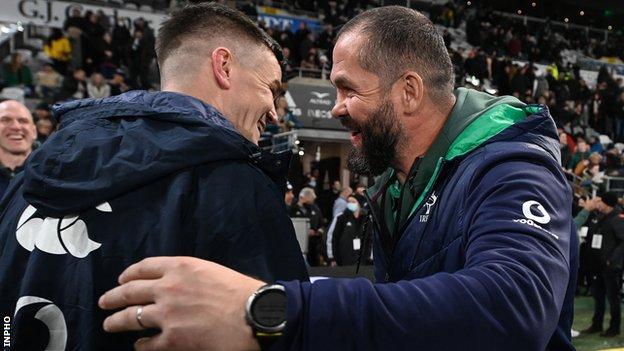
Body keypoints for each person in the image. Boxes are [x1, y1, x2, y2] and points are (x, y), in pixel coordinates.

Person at [99, 6, 576, 351]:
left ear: (408, 91)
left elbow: (516, 306)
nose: (336, 107)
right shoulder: (397, 185)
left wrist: (267, 309)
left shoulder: (512, 164)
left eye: (348, 87)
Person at [0, 3, 307, 350]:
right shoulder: (234, 183)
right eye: (271, 87)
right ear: (223, 66)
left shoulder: (30, 175)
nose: (274, 111)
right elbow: (287, 330)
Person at [581, 192, 624, 337]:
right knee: (598, 296)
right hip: (598, 265)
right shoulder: (601, 217)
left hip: (611, 266)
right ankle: (597, 324)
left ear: (606, 203)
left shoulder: (618, 218)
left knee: (613, 298)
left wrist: (612, 259)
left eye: (599, 201)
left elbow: (622, 242)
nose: (597, 204)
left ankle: (614, 327)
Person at [0, 100, 36, 198]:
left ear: (34, 131)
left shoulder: (54, 172)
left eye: (23, 121)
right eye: (5, 120)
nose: (16, 127)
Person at [327, 195, 371, 266]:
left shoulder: (366, 219)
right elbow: (334, 238)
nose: (350, 204)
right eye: (348, 202)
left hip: (363, 259)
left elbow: (370, 238)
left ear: (359, 204)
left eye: (353, 201)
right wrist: (333, 257)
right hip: (345, 259)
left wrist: (369, 256)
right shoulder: (341, 218)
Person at [290, 187, 325, 266]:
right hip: (299, 244)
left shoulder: (315, 208)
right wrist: (305, 232)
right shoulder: (293, 209)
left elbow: (322, 223)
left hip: (314, 244)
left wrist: (319, 231)